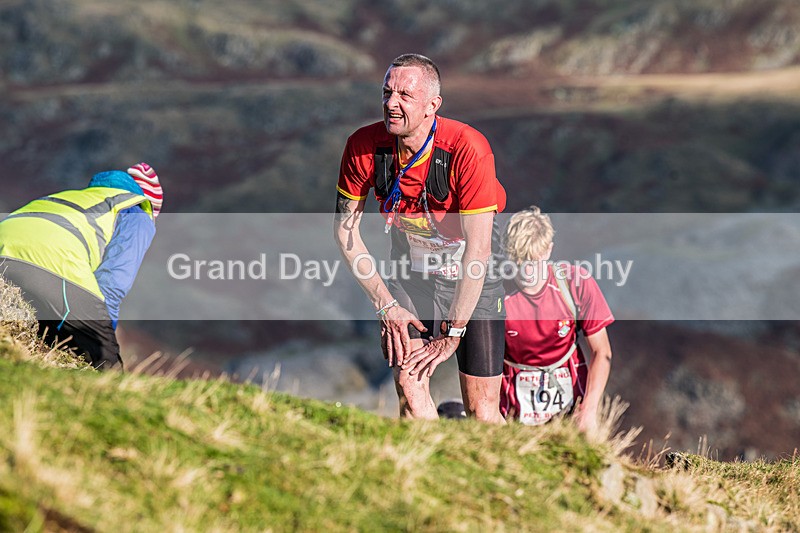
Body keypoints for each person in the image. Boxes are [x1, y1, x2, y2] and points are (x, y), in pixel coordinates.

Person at [334, 53, 507, 422]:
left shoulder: (466, 148)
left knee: (482, 410)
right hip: (412, 278)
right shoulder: (363, 146)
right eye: (386, 92)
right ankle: (419, 471)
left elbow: (477, 251)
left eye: (404, 96)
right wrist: (385, 305)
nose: (391, 104)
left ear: (433, 105)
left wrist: (454, 332)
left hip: (472, 281)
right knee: (410, 390)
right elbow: (344, 229)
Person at [0, 163, 163, 370]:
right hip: (52, 264)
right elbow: (112, 284)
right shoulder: (137, 212)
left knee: (44, 342)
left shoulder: (76, 198)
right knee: (106, 368)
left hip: (4, 250)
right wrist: (105, 336)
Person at [501, 206, 614, 432]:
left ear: (548, 251)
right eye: (518, 261)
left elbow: (602, 352)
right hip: (511, 408)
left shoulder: (575, 283)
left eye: (532, 261)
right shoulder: (495, 293)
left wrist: (589, 410)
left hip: (573, 401)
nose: (526, 272)